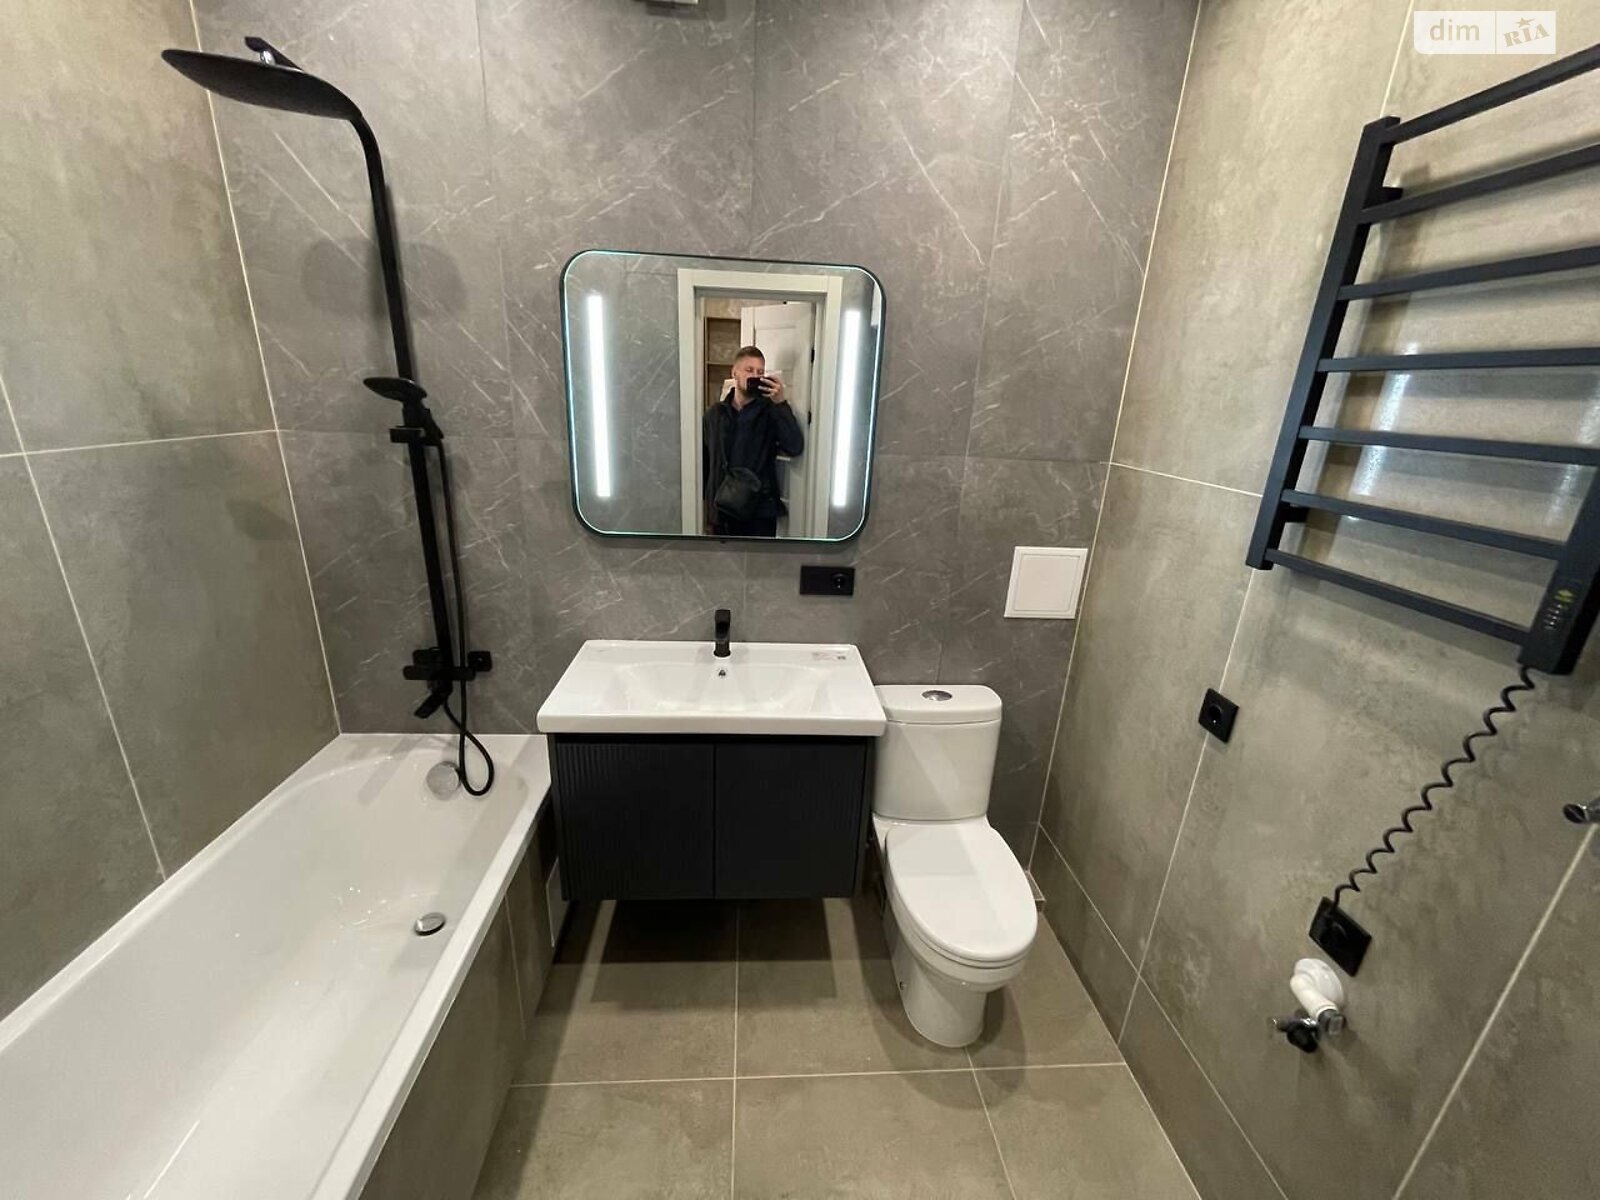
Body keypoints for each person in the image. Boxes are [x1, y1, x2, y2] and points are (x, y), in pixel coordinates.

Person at [702, 344, 804, 536]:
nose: (755, 376)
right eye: (749, 370)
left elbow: (795, 446)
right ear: (734, 373)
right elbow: (705, 462)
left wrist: (781, 404)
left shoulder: (770, 412)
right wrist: (706, 512)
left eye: (760, 372)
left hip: (758, 514)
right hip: (721, 513)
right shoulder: (715, 414)